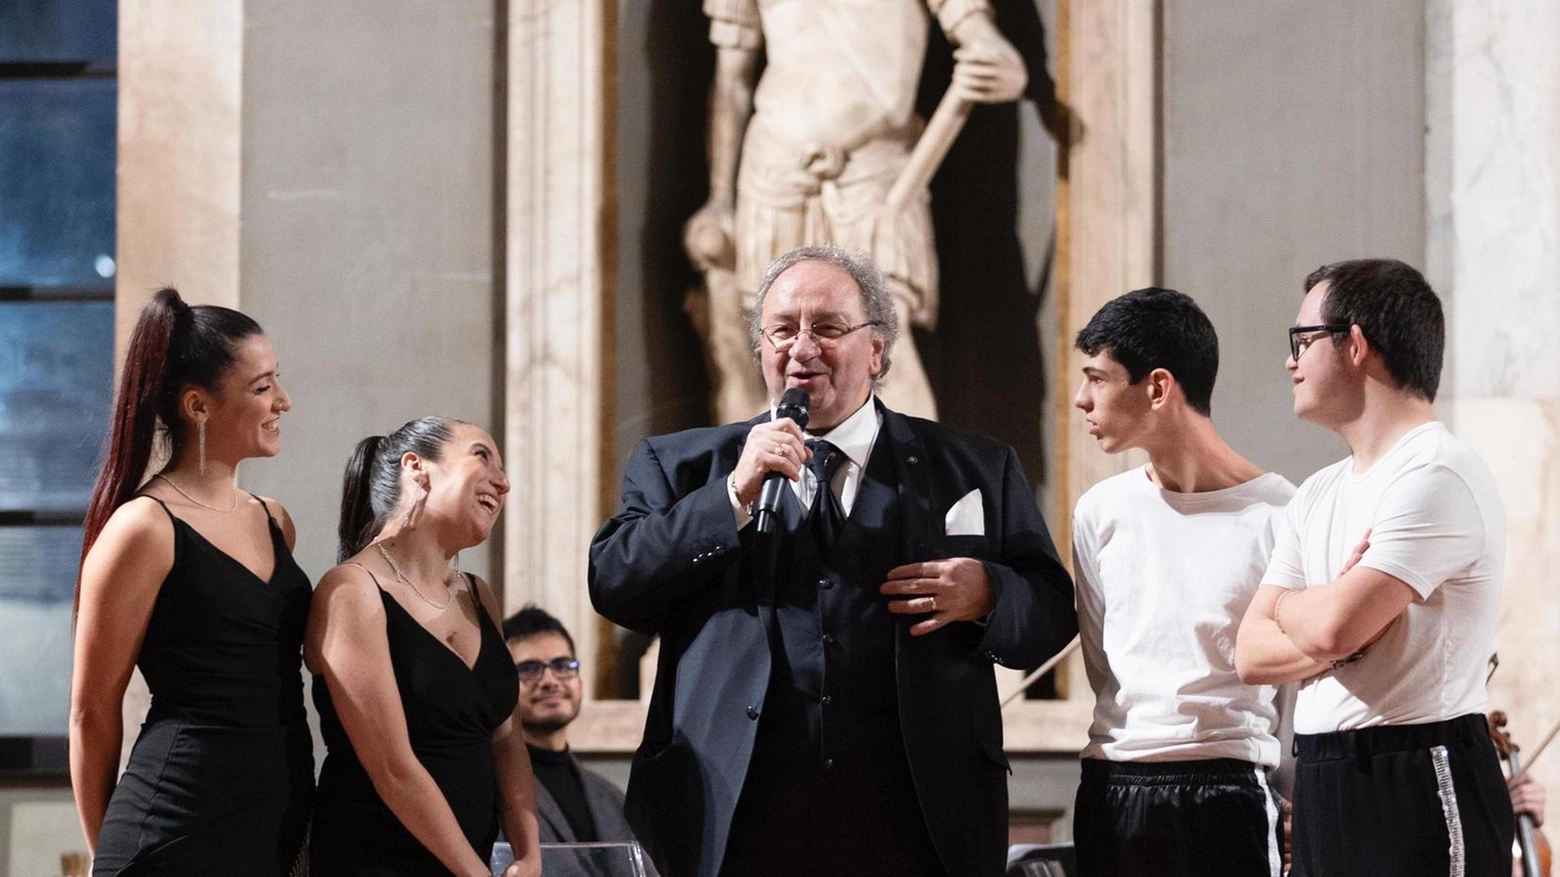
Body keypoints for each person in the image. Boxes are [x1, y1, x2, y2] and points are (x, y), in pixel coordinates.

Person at [589, 244, 1077, 877]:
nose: (801, 346)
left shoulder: (975, 467)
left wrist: (989, 594)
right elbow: (614, 582)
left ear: (876, 350)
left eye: (827, 327)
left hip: (915, 817)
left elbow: (1051, 612)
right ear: (760, 347)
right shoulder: (681, 466)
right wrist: (732, 497)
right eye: (783, 329)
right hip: (732, 812)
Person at [1235, 259, 1513, 875]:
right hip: (1324, 773)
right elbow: (1252, 655)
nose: (1291, 361)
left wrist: (1297, 608)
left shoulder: (1437, 472)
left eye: (1303, 341)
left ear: (1355, 344)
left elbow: (1333, 628)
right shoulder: (1317, 492)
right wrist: (1330, 614)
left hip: (1417, 768)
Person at [684, 0, 1032, 420]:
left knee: (886, 356)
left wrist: (995, 63)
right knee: (774, 358)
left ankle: (911, 485)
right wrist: (720, 198)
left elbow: (982, 43)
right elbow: (732, 83)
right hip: (774, 173)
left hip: (874, 179)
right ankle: (767, 482)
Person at [69, 288, 312, 875]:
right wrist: (110, 856)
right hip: (175, 821)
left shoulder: (274, 519)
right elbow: (92, 712)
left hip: (277, 815)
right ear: (198, 406)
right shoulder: (143, 528)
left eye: (277, 380)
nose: (284, 401)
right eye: (262, 387)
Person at [1069, 288, 1294, 877]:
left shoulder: (1281, 513)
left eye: (1098, 378)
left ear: (1158, 387)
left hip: (1230, 788)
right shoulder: (1101, 510)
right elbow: (1103, 663)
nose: (1080, 398)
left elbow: (1293, 684)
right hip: (1113, 785)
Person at [306, 417, 541, 877]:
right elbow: (392, 767)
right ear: (417, 468)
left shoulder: (478, 594)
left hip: (469, 863)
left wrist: (529, 853)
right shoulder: (352, 589)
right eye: (482, 456)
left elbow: (508, 740)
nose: (505, 481)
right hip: (375, 859)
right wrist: (472, 872)